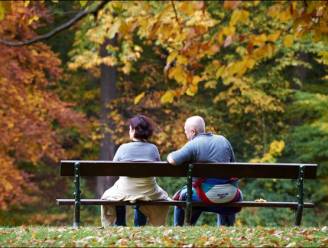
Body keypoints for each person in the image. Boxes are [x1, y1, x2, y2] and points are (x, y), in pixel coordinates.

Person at [167, 116, 242, 226]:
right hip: (230, 196)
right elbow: (234, 169)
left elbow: (173, 160)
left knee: (182, 196)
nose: (186, 135)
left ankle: (178, 228)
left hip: (204, 196)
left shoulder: (193, 144)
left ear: (193, 131)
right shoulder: (223, 140)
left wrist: (169, 155)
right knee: (219, 188)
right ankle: (226, 228)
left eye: (186, 132)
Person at [101, 115, 170, 227]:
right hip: (148, 191)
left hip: (125, 190)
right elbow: (157, 171)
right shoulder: (153, 148)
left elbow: (114, 168)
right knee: (152, 193)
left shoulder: (123, 148)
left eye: (129, 129)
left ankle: (120, 223)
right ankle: (140, 225)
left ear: (133, 130)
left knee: (112, 194)